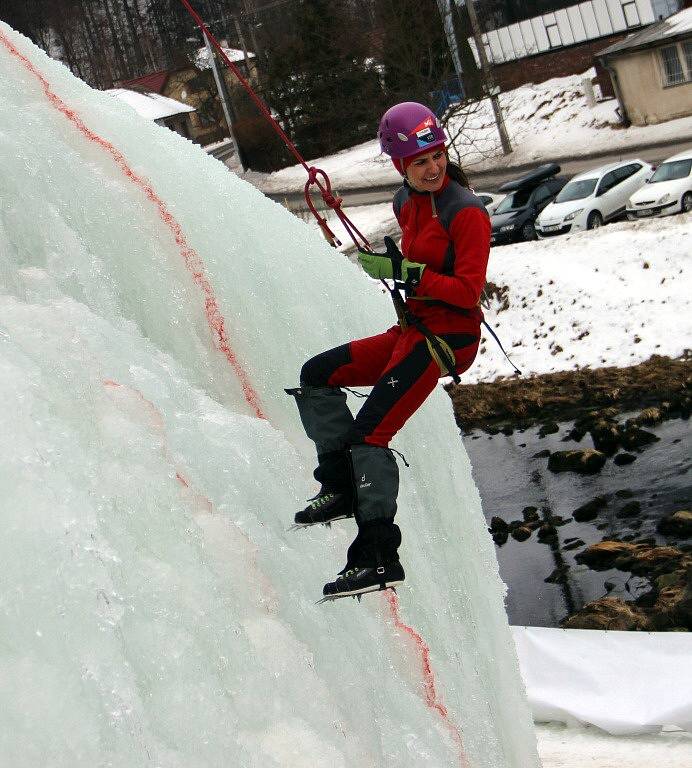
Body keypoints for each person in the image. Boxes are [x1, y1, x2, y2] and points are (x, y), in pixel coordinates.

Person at [287, 102, 491, 600]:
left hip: (448, 340)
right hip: (412, 330)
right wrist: (395, 267)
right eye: (419, 161)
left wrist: (409, 274)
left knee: (369, 434)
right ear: (401, 166)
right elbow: (419, 263)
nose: (432, 167)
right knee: (318, 373)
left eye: (436, 155)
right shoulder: (407, 202)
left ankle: (379, 558)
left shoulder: (466, 212)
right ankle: (339, 487)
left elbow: (467, 291)